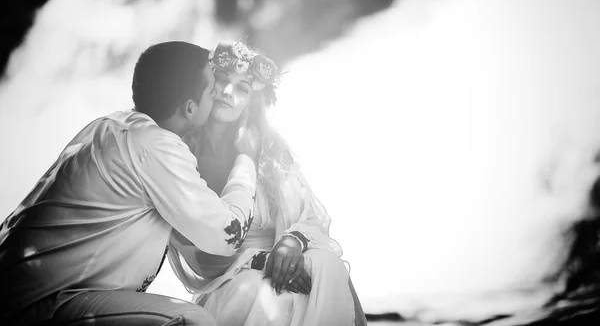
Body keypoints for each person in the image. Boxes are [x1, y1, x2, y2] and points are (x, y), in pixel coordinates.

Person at [0, 41, 260, 326]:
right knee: (192, 320)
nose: (219, 97)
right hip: (45, 301)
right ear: (189, 107)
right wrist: (246, 158)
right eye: (212, 90)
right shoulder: (156, 148)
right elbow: (227, 235)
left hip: (21, 288)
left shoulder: (110, 125)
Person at [168, 41, 368, 326]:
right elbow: (198, 253)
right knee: (264, 290)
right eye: (222, 81)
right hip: (233, 281)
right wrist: (261, 260)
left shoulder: (271, 149)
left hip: (286, 267)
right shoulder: (182, 153)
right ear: (206, 86)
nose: (228, 93)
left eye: (242, 89)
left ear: (252, 101)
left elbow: (310, 217)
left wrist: (291, 241)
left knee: (324, 264)